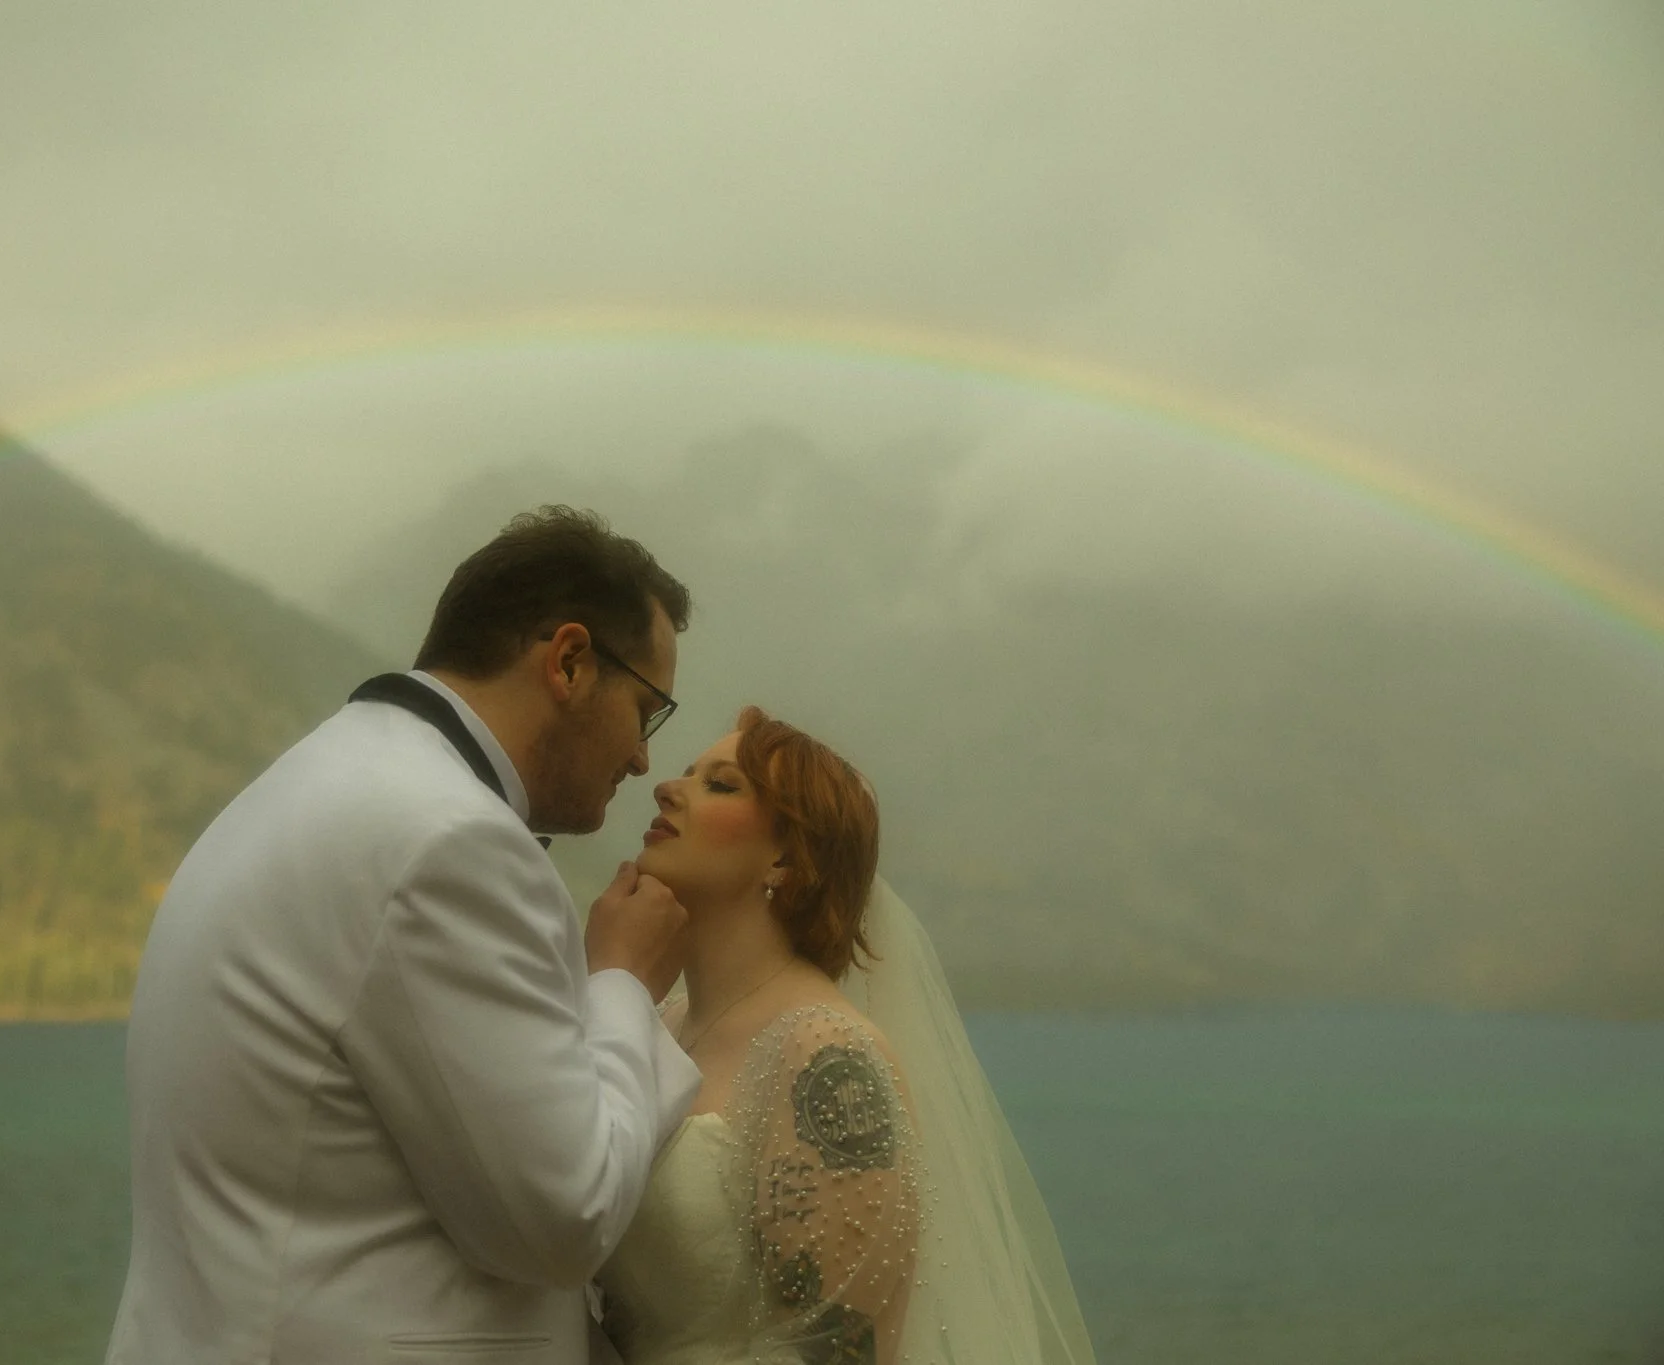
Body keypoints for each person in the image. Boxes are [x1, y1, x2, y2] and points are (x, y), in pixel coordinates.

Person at [105, 506, 704, 1365]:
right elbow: (563, 1220)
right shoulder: (449, 839)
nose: (645, 761)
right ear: (569, 661)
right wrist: (622, 984)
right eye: (646, 711)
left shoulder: (316, 781)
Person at [596, 708, 1098, 1365]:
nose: (668, 787)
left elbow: (837, 1352)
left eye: (720, 784)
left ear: (785, 854)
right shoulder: (659, 1020)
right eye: (687, 773)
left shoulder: (826, 1054)